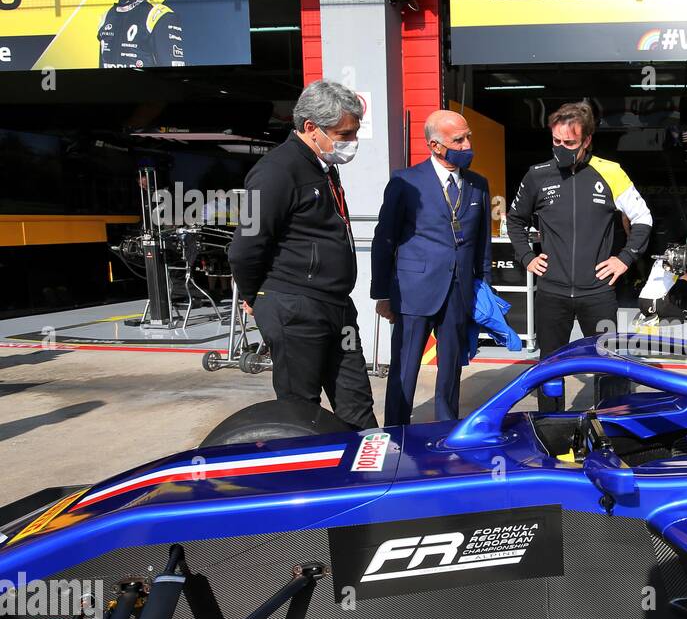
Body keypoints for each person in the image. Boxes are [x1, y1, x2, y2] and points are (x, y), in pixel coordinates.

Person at [228, 79, 377, 430]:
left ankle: (370, 478)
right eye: (344, 134)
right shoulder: (275, 172)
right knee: (300, 411)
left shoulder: (324, 168)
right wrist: (255, 296)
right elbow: (244, 247)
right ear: (311, 128)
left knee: (355, 398)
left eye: (353, 133)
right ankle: (309, 479)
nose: (351, 142)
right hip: (296, 309)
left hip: (336, 307)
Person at [506, 101, 652, 412]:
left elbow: (643, 218)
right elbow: (515, 220)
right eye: (556, 141)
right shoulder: (537, 175)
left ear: (586, 140)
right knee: (549, 369)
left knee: (610, 365)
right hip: (552, 293)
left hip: (598, 293)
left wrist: (624, 258)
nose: (561, 148)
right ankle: (550, 431)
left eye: (569, 142)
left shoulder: (610, 172)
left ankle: (611, 429)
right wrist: (526, 257)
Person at [372, 110, 490, 425]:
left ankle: (446, 429)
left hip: (459, 292)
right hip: (414, 292)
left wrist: (483, 286)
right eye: (458, 140)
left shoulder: (478, 184)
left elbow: (482, 243)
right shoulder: (405, 181)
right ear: (435, 145)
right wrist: (382, 293)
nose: (467, 145)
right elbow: (384, 239)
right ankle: (396, 431)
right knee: (404, 368)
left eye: (468, 138)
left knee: (451, 368)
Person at [637, 258, 687, 327]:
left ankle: (645, 315)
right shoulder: (674, 265)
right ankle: (654, 322)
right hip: (654, 303)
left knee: (666, 301)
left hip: (642, 301)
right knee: (680, 317)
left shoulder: (659, 261)